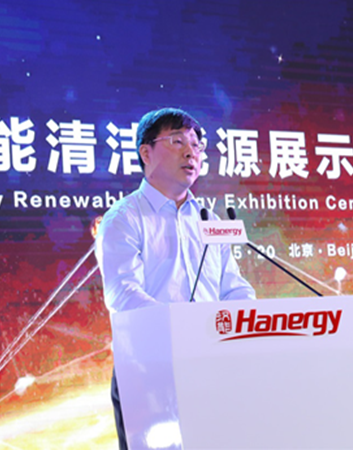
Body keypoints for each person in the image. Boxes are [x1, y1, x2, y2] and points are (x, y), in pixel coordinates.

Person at [94, 107, 256, 449]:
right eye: (178, 141)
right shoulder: (123, 218)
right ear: (146, 152)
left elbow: (233, 287)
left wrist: (246, 321)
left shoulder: (209, 220)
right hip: (148, 373)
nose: (191, 153)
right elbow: (123, 295)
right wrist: (188, 331)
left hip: (211, 367)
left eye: (197, 145)